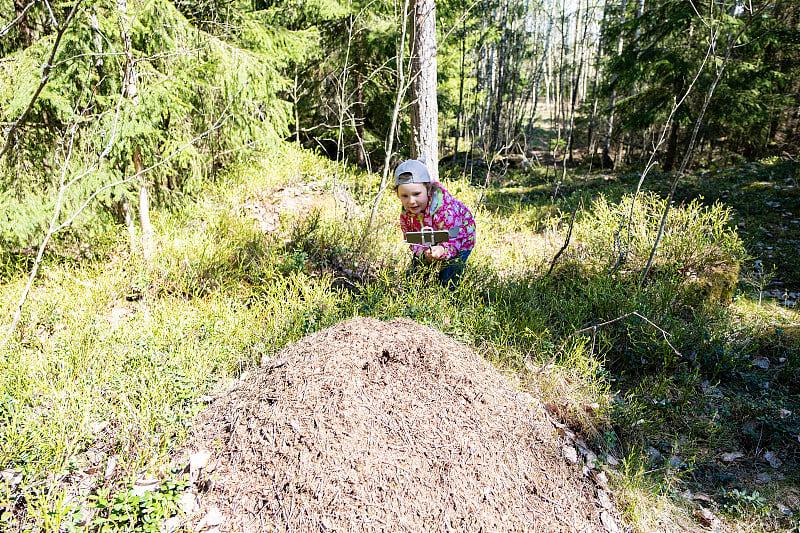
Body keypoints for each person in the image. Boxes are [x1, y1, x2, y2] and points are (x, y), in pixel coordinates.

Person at [394, 158, 476, 289]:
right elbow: (411, 238)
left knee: (448, 279)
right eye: (404, 196)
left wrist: (443, 250)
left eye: (416, 194)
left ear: (428, 189)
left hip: (460, 240)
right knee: (415, 276)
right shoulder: (406, 215)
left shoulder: (444, 210)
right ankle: (413, 297)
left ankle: (449, 301)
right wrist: (423, 253)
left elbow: (456, 238)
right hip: (429, 239)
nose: (411, 201)